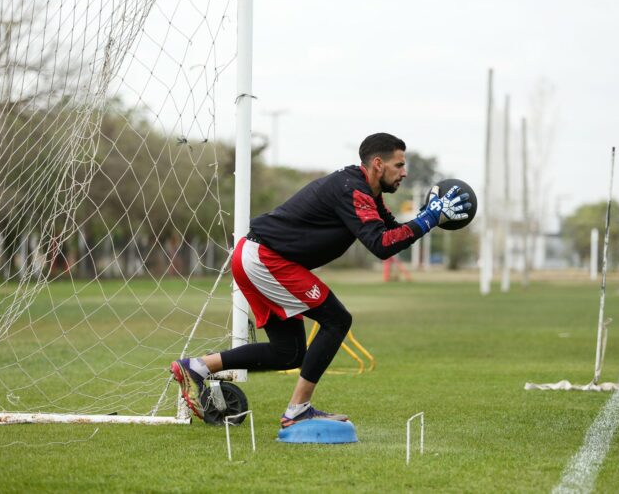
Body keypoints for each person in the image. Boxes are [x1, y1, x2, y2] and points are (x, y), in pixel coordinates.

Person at [170, 132, 471, 427]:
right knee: (337, 320)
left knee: (289, 354)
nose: (405, 172)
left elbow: (391, 232)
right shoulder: (354, 190)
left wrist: (425, 216)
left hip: (258, 258)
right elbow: (381, 246)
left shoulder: (366, 191)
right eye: (399, 165)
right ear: (378, 164)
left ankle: (196, 367)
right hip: (266, 259)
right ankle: (298, 409)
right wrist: (429, 219)